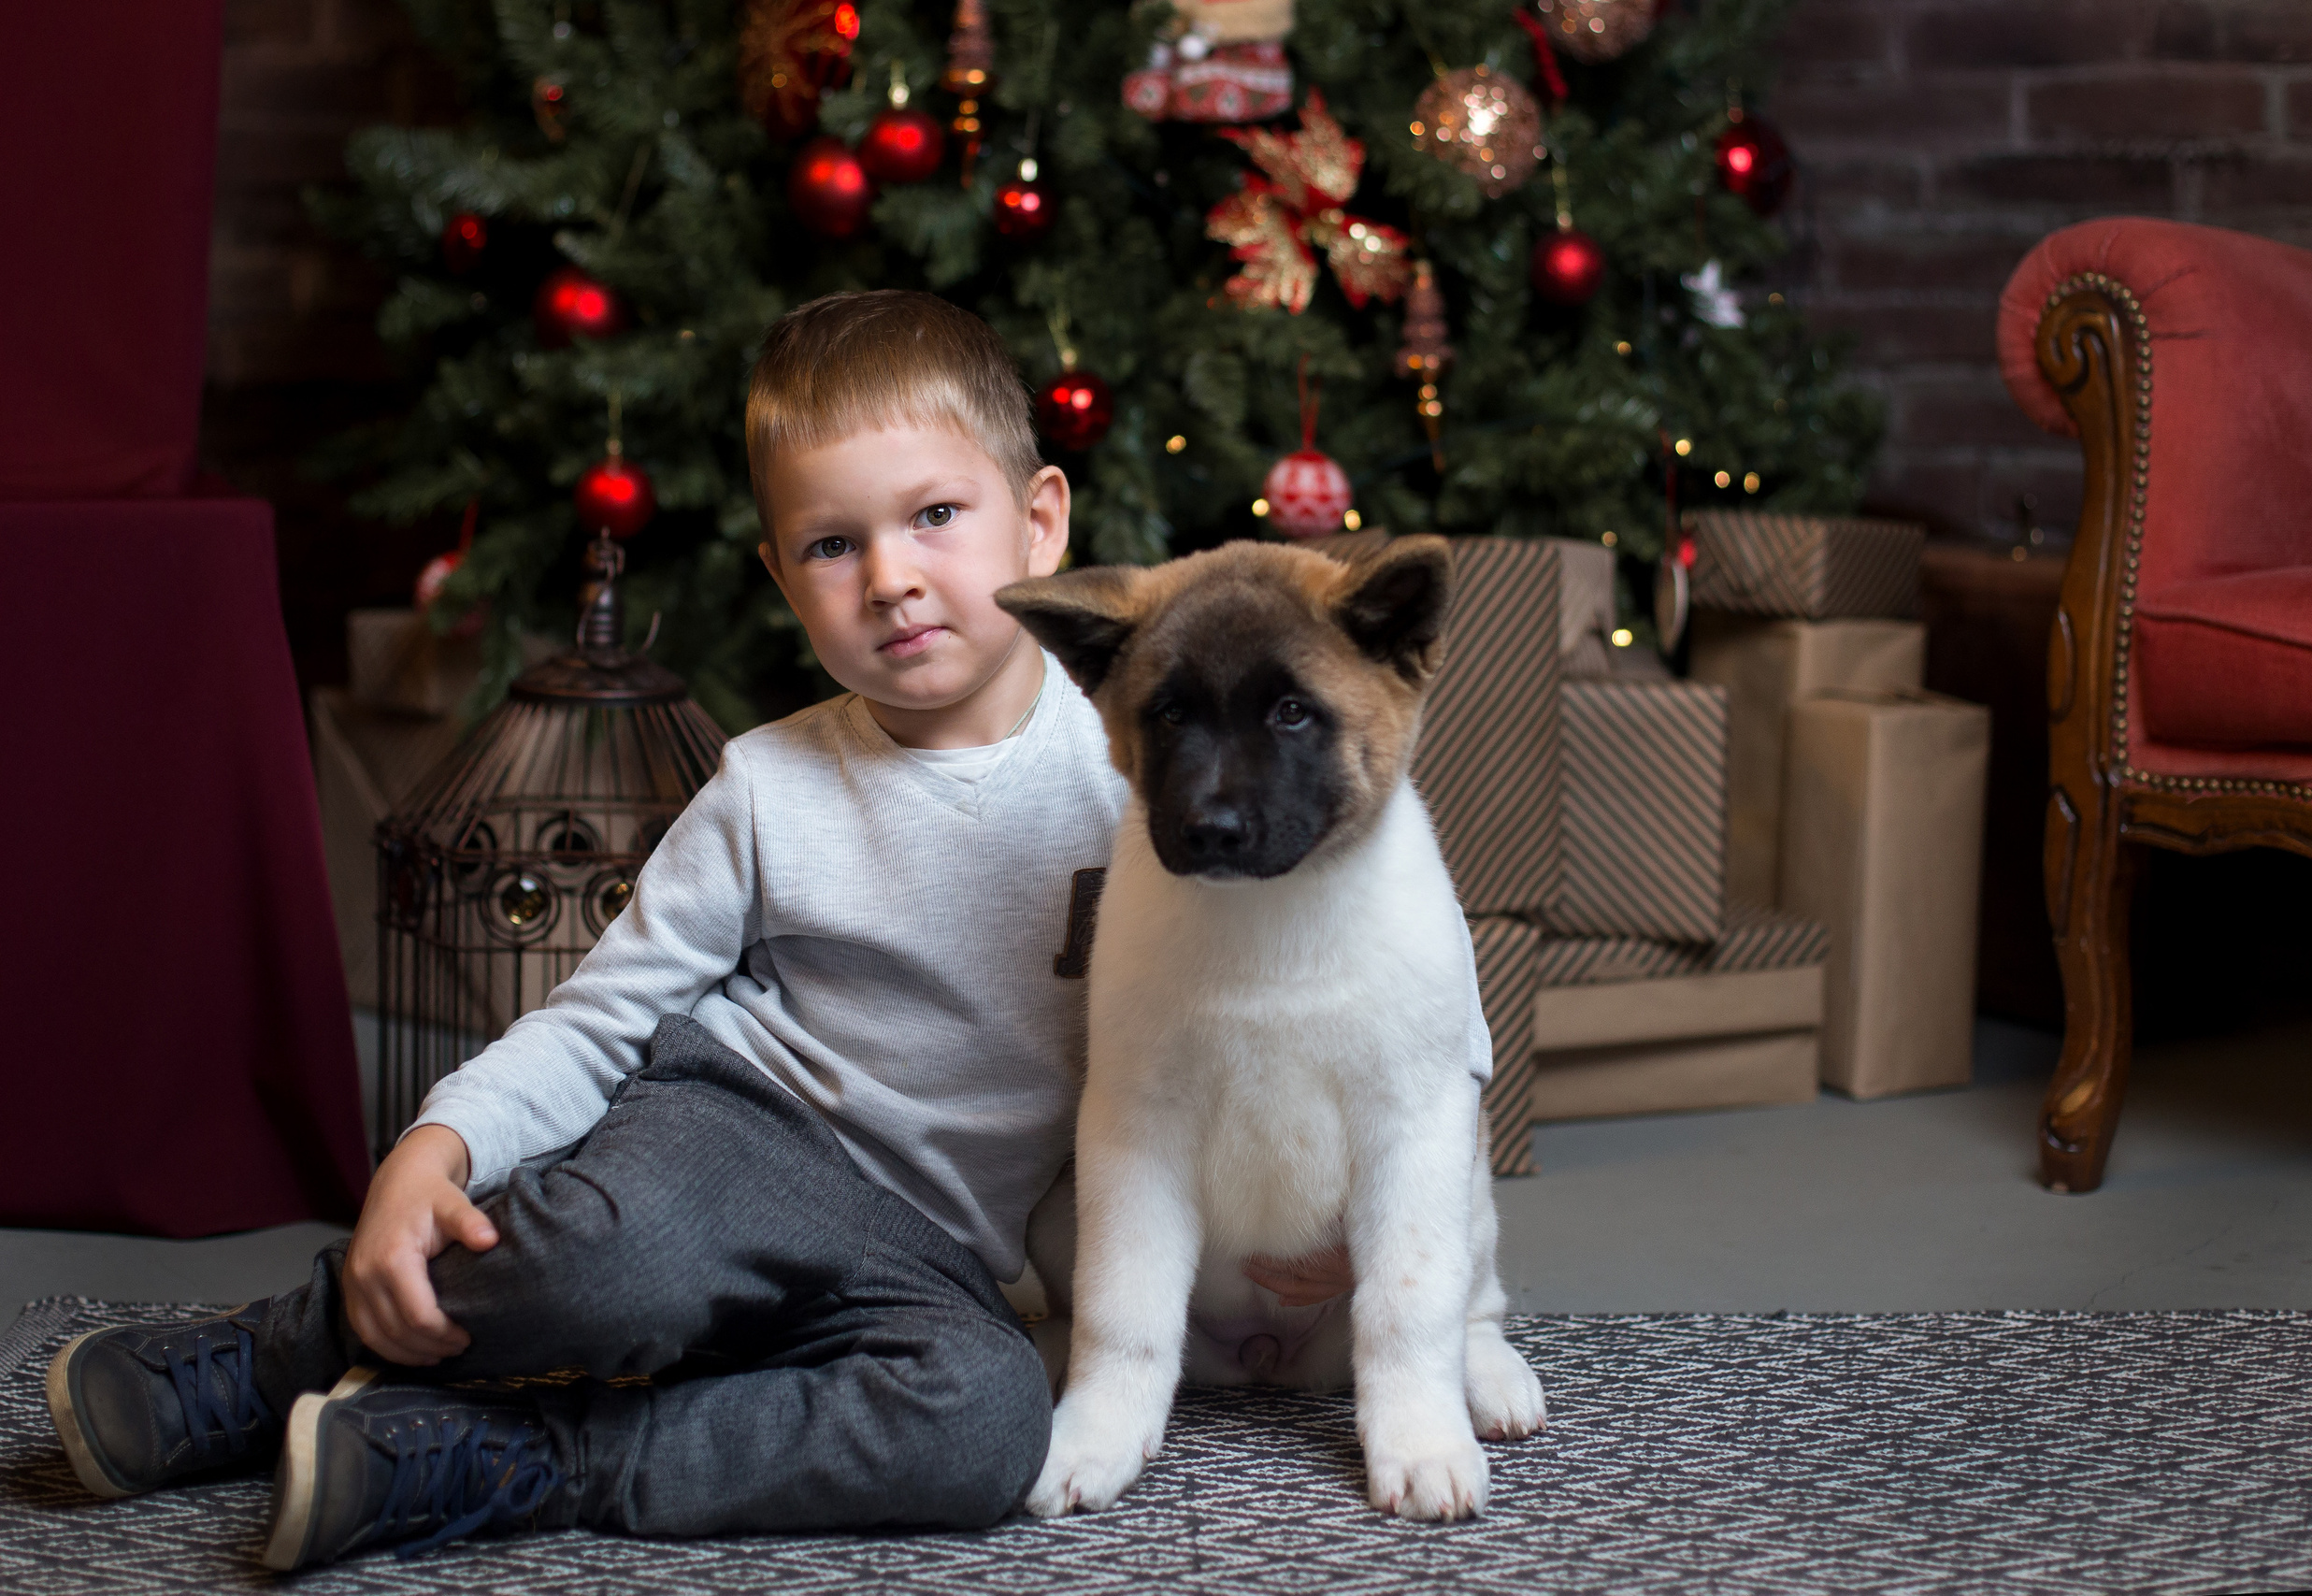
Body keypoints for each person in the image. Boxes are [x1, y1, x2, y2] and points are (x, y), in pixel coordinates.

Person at [43, 291, 1347, 1569]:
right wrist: (432, 1148)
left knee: (990, 1423)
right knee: (617, 1261)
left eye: (936, 517)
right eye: (833, 546)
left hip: (938, 1247)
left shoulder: (1127, 775)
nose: (891, 577)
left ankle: (504, 1456)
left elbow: (1242, 1002)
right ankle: (287, 1347)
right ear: (783, 578)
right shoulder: (770, 785)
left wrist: (1298, 1204)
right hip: (739, 1138)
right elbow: (600, 1013)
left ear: (1041, 521)